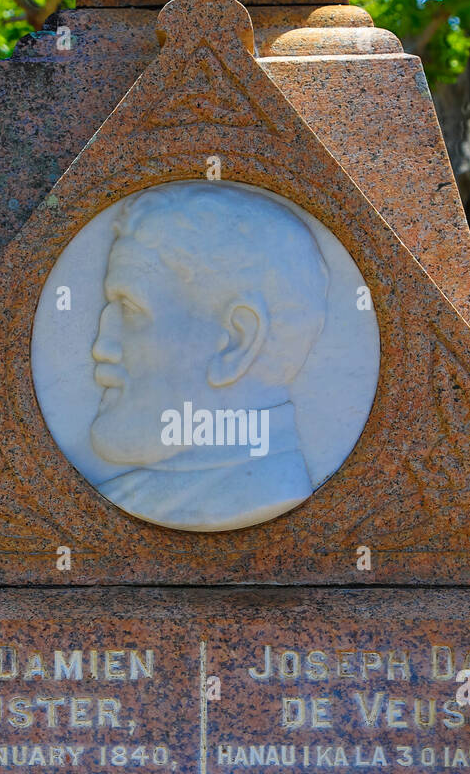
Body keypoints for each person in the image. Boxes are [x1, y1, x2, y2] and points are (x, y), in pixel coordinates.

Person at [88, 181, 330, 531]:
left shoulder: (256, 492)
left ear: (236, 342)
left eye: (130, 308)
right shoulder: (139, 495)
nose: (102, 346)